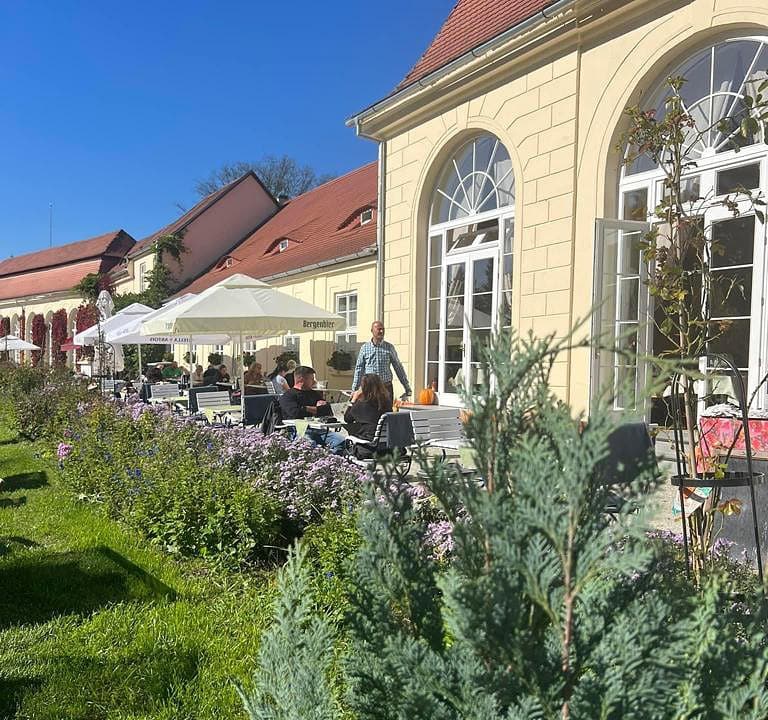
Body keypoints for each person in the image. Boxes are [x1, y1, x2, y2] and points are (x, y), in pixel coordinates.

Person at [279, 365, 345, 453]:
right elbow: (295, 413)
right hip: (299, 430)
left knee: (340, 440)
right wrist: (316, 409)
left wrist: (305, 408)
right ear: (301, 379)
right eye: (312, 379)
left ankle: (328, 461)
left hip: (318, 430)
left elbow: (328, 410)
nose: (314, 382)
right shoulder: (288, 396)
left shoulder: (314, 394)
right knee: (310, 444)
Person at [352, 320, 412, 402]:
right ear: (372, 331)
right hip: (370, 388)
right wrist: (354, 389)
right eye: (379, 329)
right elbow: (359, 369)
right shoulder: (364, 348)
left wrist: (406, 387)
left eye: (383, 329)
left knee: (387, 413)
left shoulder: (389, 347)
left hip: (386, 387)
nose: (381, 331)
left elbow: (398, 367)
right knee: (370, 413)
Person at [345, 373, 392, 440]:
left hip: (368, 440)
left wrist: (353, 399)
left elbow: (347, 418)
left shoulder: (361, 404)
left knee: (352, 427)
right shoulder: (386, 402)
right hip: (385, 440)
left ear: (363, 387)